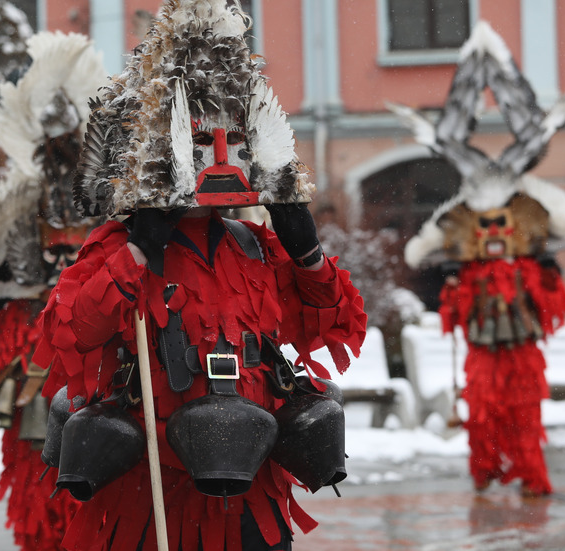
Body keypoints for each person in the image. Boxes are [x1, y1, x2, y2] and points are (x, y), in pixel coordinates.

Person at [30, 2, 367, 550]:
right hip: (153, 486)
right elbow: (67, 334)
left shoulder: (254, 246)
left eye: (228, 141)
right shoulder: (116, 248)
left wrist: (307, 253)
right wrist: (138, 251)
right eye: (197, 141)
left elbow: (331, 328)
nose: (218, 156)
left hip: (249, 476)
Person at [396, 21, 565, 498]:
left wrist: (547, 279)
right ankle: (486, 466)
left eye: (502, 223)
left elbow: (556, 295)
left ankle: (531, 472)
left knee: (525, 406)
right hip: (483, 343)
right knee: (485, 403)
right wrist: (451, 294)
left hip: (523, 344)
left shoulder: (531, 245)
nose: (494, 230)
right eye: (485, 224)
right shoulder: (468, 257)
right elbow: (434, 267)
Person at [0, 30, 107, 551]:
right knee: (41, 463)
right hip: (42, 358)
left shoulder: (111, 203)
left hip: (99, 354)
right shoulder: (19, 207)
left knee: (103, 462)